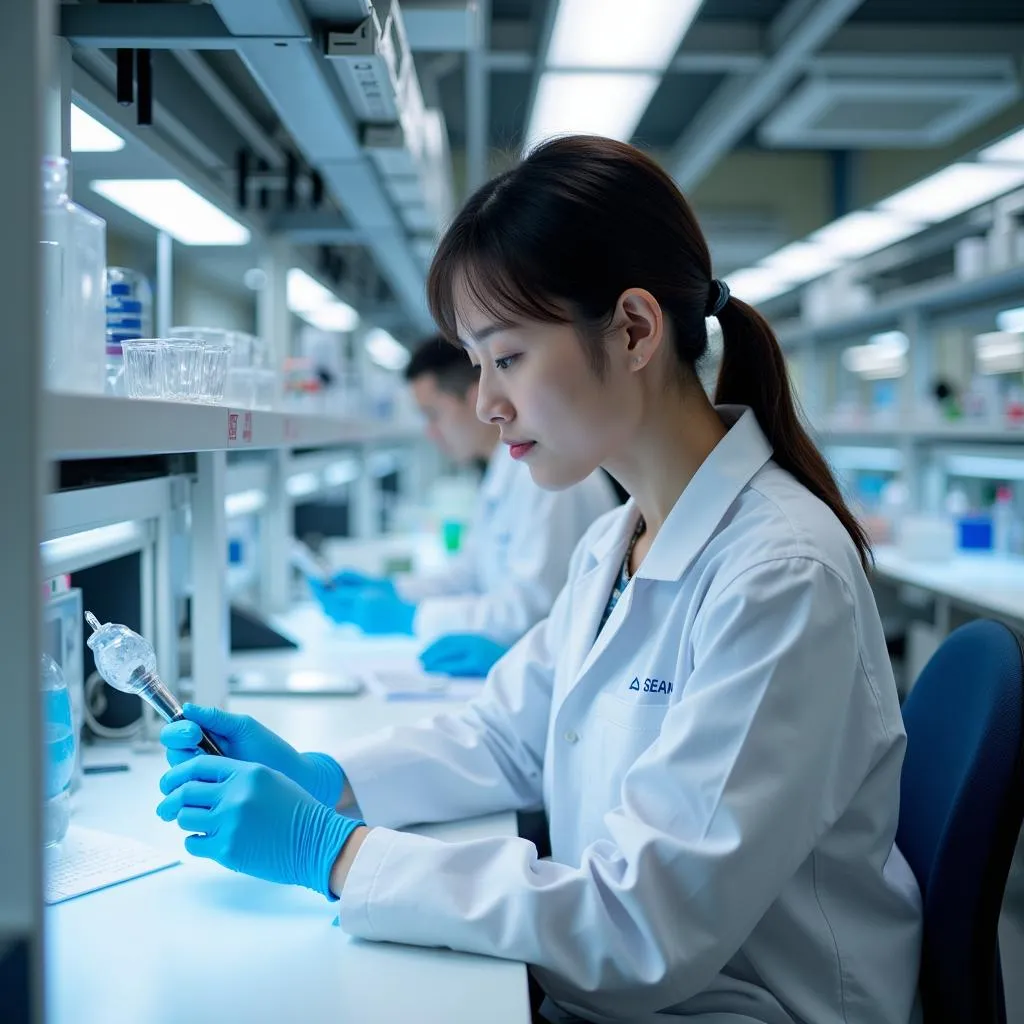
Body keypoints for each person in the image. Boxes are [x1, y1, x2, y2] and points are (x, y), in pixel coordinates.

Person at [157, 136, 922, 1024]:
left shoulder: (780, 578)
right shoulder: (617, 540)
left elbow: (640, 926)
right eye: (477, 366)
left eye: (507, 357)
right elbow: (506, 738)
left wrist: (335, 854)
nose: (485, 403)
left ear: (634, 330)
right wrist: (328, 777)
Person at [309, 336, 619, 678]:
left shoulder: (547, 478)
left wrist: (410, 617)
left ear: (472, 400)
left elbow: (526, 612)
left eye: (433, 415)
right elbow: (470, 573)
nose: (430, 432)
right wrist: (392, 590)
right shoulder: (501, 473)